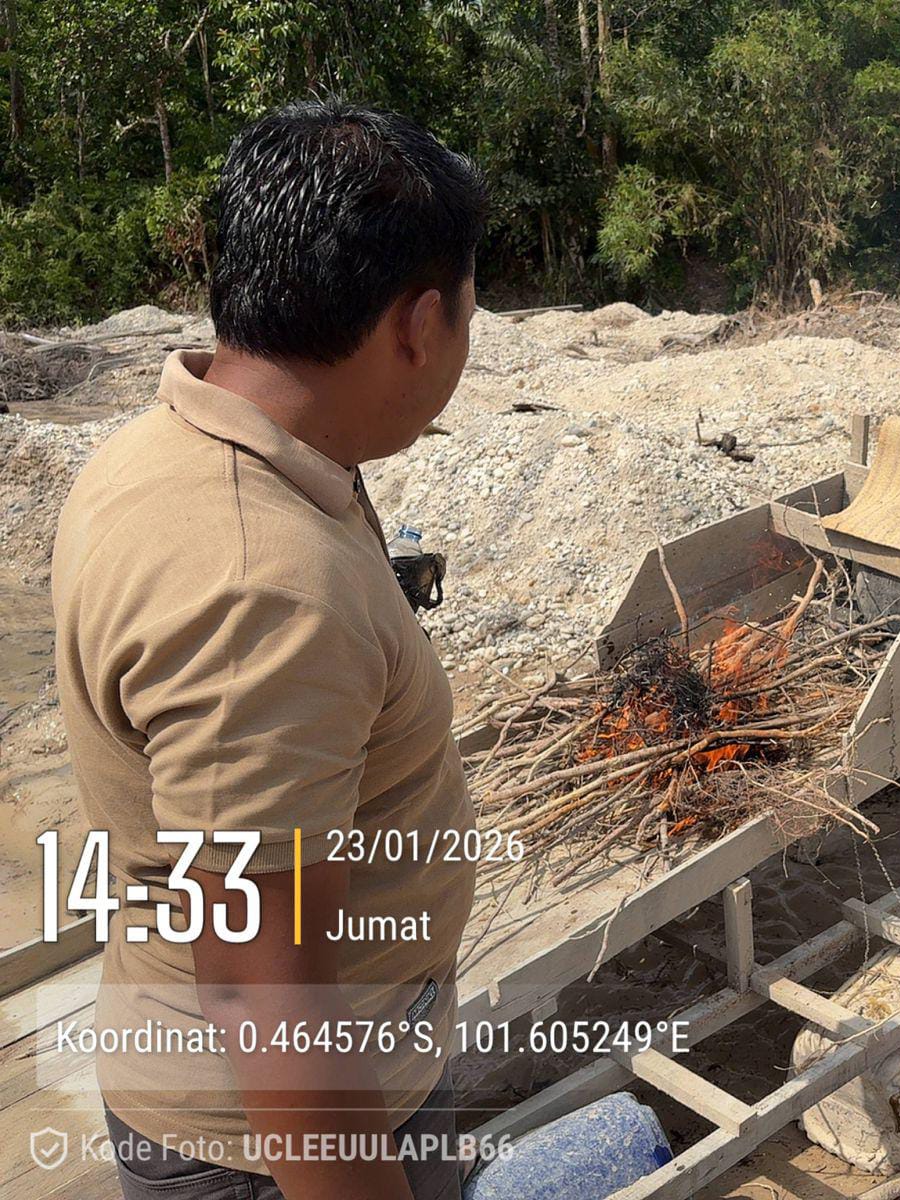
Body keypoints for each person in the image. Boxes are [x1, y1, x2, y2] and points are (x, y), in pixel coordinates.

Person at [51, 98, 487, 1200]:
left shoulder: (169, 446)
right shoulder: (261, 585)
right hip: (271, 1146)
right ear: (417, 325)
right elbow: (262, 992)